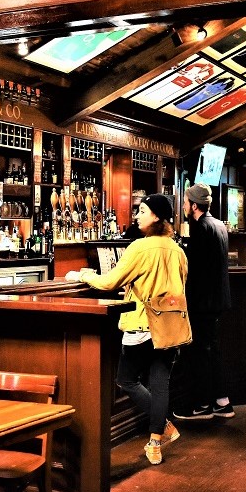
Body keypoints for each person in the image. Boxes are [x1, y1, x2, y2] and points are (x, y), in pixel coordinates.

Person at [69, 194, 188, 465]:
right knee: (160, 385)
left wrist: (83, 274)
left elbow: (109, 282)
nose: (137, 216)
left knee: (127, 380)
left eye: (142, 211)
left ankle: (164, 426)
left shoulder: (139, 247)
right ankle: (155, 444)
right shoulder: (178, 250)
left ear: (156, 216)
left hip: (142, 323)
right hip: (170, 326)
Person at [172, 183, 234, 421]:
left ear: (194, 206)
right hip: (218, 300)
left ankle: (201, 405)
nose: (184, 206)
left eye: (186, 203)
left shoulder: (200, 228)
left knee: (199, 352)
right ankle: (222, 402)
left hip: (202, 302)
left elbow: (195, 270)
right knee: (212, 350)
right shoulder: (218, 225)